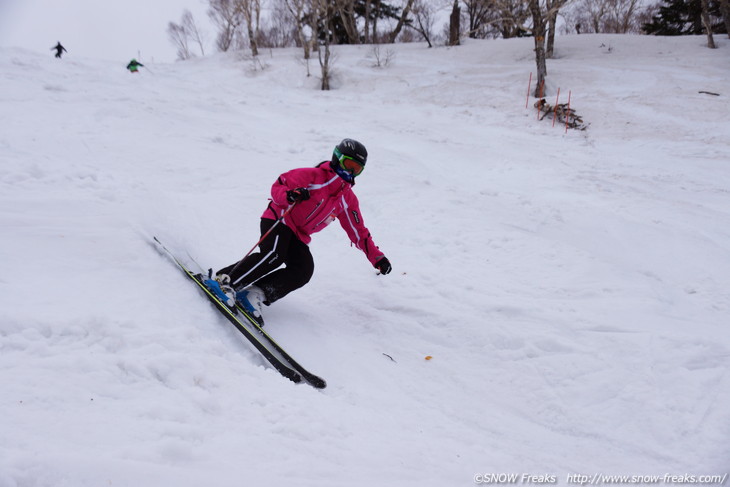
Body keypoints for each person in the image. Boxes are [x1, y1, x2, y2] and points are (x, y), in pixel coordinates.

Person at [204, 138, 392, 325]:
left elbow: (358, 231)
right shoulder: (313, 176)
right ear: (337, 158)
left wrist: (377, 257)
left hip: (299, 234)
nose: (350, 171)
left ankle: (254, 294)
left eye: (357, 169)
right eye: (348, 164)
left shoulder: (347, 199)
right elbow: (279, 185)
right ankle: (224, 280)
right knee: (274, 255)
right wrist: (290, 195)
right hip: (280, 217)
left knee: (303, 270)